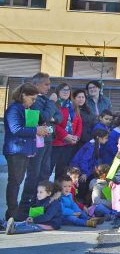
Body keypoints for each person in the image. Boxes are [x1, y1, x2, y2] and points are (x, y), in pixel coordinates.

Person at [3, 83, 49, 220]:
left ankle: (13, 214)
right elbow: (16, 129)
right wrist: (36, 130)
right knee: (15, 182)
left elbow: (26, 128)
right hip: (16, 151)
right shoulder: (14, 109)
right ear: (23, 95)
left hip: (24, 150)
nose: (33, 102)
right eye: (32, 99)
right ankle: (12, 214)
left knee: (17, 181)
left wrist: (38, 128)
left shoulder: (24, 109)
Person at [22, 72, 63, 210]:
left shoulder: (45, 100)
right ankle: (27, 205)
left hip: (48, 140)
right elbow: (43, 117)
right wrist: (51, 104)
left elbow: (59, 117)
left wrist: (50, 116)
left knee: (45, 173)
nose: (49, 87)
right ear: (35, 84)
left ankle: (40, 204)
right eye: (46, 84)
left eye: (50, 84)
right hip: (37, 142)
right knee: (34, 174)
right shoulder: (34, 101)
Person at [51, 83, 83, 180]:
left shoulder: (72, 105)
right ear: (57, 92)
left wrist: (76, 137)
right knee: (47, 169)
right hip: (56, 143)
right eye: (63, 90)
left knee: (62, 171)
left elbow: (79, 122)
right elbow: (53, 123)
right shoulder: (54, 104)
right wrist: (65, 135)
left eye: (68, 90)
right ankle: (44, 191)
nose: (66, 92)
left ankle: (58, 192)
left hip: (69, 144)